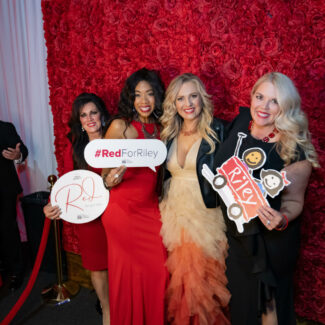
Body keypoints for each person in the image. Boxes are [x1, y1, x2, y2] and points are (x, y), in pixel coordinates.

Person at [214, 72, 319, 325]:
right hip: (237, 237)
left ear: (286, 107)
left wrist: (281, 219)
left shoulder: (293, 149)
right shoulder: (240, 123)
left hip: (269, 242)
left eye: (274, 101)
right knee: (243, 304)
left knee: (267, 306)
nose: (264, 106)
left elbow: (294, 203)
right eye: (260, 97)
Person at [159, 73, 230, 325]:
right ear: (173, 104)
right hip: (173, 213)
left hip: (205, 214)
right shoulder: (167, 133)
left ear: (202, 99)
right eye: (180, 98)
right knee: (182, 278)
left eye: (193, 96)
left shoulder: (219, 129)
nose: (188, 103)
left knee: (203, 280)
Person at [101, 68, 169, 325]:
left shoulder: (163, 128)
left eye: (150, 94)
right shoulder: (120, 126)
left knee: (159, 272)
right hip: (122, 213)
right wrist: (110, 179)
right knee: (127, 276)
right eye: (137, 94)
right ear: (130, 97)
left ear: (158, 97)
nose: (144, 101)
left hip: (152, 211)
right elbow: (103, 176)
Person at [43, 93, 110, 325]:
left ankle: (121, 302)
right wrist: (52, 205)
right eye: (83, 115)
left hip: (117, 214)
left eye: (93, 112)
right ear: (79, 120)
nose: (90, 118)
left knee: (121, 263)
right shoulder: (74, 147)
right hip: (90, 219)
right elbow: (67, 184)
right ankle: (106, 307)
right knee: (98, 266)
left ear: (102, 114)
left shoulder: (118, 140)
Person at [0, 120, 28, 291]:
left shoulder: (4, 128)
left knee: (7, 231)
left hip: (3, 191)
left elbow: (22, 150)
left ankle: (16, 270)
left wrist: (17, 155)